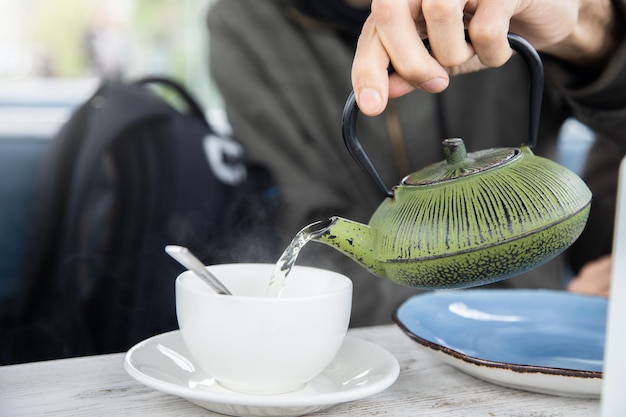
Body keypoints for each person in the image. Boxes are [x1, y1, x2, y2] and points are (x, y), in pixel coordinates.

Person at [206, 0, 624, 326]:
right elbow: (303, 222)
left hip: (545, 324)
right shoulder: (244, 25)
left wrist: (589, 31)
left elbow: (606, 214)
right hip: (383, 341)